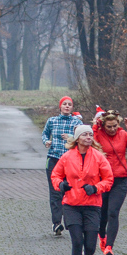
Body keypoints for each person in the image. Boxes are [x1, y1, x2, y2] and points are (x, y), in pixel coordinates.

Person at [50, 124, 113, 255]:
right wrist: (61, 185)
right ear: (77, 138)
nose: (88, 137)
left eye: (90, 135)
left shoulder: (99, 157)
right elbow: (55, 175)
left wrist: (96, 188)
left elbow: (109, 179)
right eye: (85, 135)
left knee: (90, 245)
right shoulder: (67, 157)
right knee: (77, 241)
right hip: (71, 205)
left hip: (92, 205)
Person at [92, 110, 127, 255]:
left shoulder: (123, 134)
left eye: (115, 126)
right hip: (103, 179)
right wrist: (95, 127)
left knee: (113, 212)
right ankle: (102, 235)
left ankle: (109, 247)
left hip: (120, 180)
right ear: (103, 125)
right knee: (102, 214)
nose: (112, 129)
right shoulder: (99, 134)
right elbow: (91, 145)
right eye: (109, 126)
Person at [41, 96, 81, 236]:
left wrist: (70, 136)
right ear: (60, 106)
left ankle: (69, 221)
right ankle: (57, 223)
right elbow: (45, 134)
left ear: (72, 107)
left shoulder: (77, 122)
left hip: (70, 160)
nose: (67, 106)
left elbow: (82, 139)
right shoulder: (52, 121)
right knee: (55, 192)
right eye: (64, 104)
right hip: (54, 158)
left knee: (69, 190)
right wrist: (46, 141)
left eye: (69, 104)